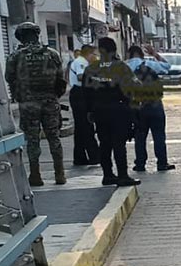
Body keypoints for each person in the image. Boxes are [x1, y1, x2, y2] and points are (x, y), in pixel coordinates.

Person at [4, 22, 67, 186]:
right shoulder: (52, 54)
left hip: (28, 103)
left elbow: (9, 78)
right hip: (50, 101)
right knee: (54, 138)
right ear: (37, 35)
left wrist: (20, 94)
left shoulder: (15, 56)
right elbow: (61, 80)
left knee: (32, 140)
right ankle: (60, 174)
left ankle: (35, 175)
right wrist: (54, 97)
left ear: (21, 36)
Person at [81, 37, 140, 186]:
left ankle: (107, 175)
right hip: (119, 109)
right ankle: (122, 175)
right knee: (119, 143)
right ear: (114, 50)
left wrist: (89, 111)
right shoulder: (121, 67)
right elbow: (131, 89)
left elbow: (86, 92)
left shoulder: (91, 69)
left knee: (104, 143)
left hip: (99, 110)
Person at [126, 45, 175, 172]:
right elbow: (167, 66)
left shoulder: (124, 67)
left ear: (129, 54)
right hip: (155, 104)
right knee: (159, 136)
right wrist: (155, 54)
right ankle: (162, 163)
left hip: (137, 106)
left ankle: (140, 164)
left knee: (140, 137)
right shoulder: (151, 63)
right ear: (141, 54)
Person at [67, 43, 98, 166]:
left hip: (81, 94)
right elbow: (81, 77)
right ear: (88, 53)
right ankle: (94, 156)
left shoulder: (82, 62)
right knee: (86, 126)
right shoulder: (81, 62)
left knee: (80, 128)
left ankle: (79, 157)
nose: (94, 57)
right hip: (80, 95)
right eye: (93, 54)